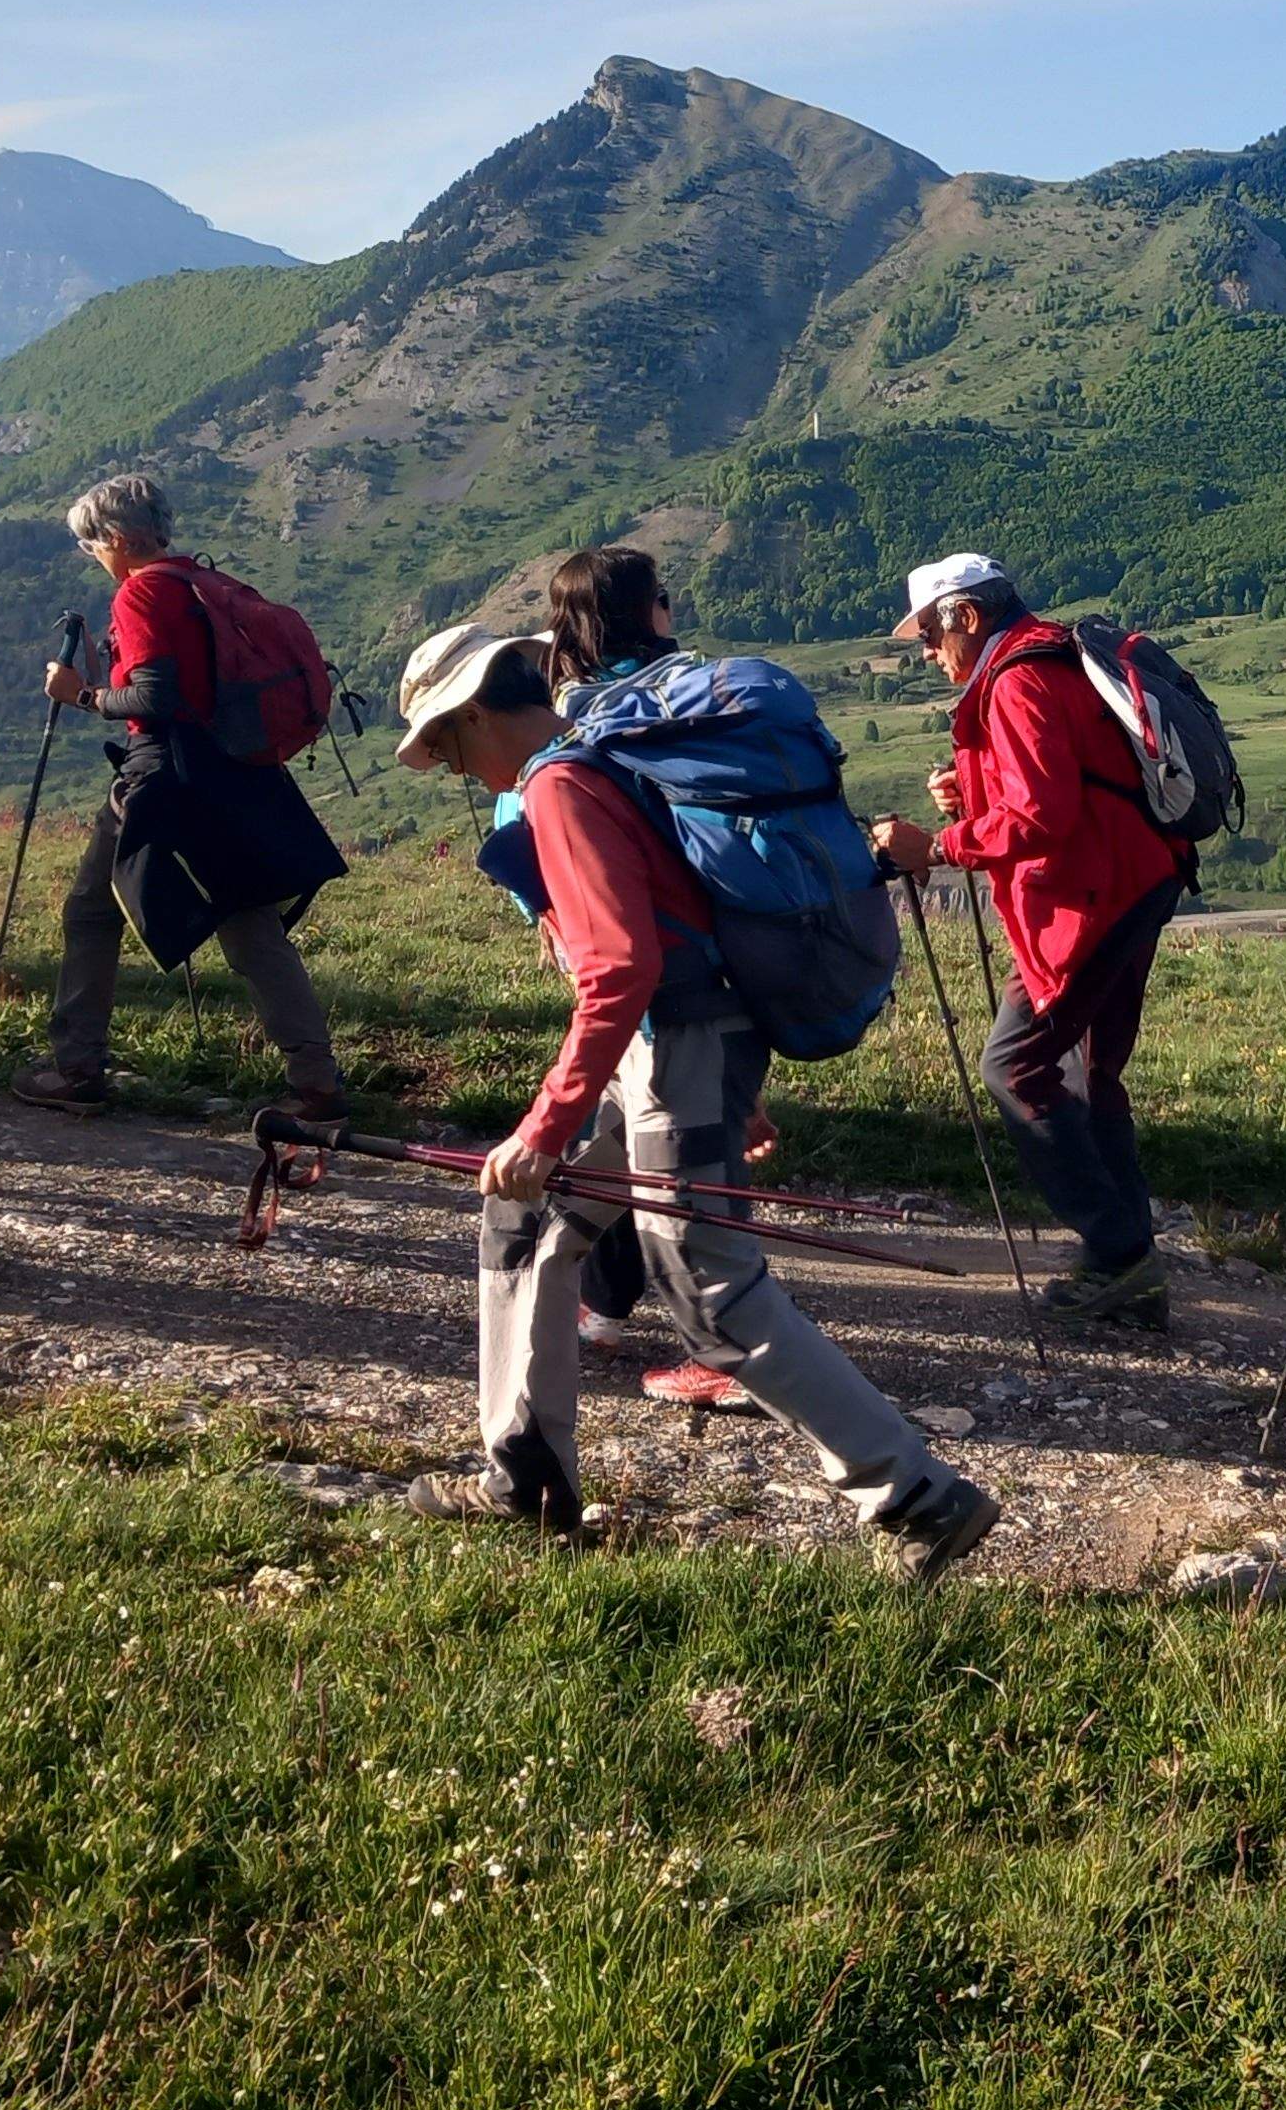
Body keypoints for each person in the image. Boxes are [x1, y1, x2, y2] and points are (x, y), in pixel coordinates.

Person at [389, 619, 1000, 1581]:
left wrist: (549, 1124)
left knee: (708, 1287)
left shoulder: (558, 785)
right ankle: (525, 1475)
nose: (456, 770)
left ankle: (920, 1497)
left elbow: (621, 968)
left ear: (474, 714)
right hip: (683, 1051)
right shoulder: (597, 751)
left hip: (676, 1046)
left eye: (448, 744)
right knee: (526, 1214)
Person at [863, 553, 1191, 1332]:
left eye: (930, 638)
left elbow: (1043, 818)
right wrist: (970, 790)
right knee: (1087, 1073)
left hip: (1093, 901)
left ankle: (1117, 1255)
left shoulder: (1015, 680)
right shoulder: (1044, 655)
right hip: (1136, 879)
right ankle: (1130, 1265)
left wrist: (936, 847)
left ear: (966, 617)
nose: (926, 654)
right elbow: (1056, 783)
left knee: (1014, 1066)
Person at [10, 474, 345, 1116]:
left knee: (90, 911)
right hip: (234, 774)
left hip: (164, 774)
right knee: (251, 926)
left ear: (115, 539)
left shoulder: (141, 596)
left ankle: (78, 1069)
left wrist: (80, 694)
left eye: (91, 547)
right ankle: (318, 1083)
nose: (96, 559)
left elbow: (155, 698)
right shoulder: (204, 582)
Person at [535, 543, 759, 1416]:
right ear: (649, 612)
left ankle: (722, 1351)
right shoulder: (696, 702)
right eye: (664, 597)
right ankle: (606, 1307)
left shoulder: (576, 721)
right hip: (738, 964)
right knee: (652, 1149)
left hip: (653, 983)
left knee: (655, 1155)